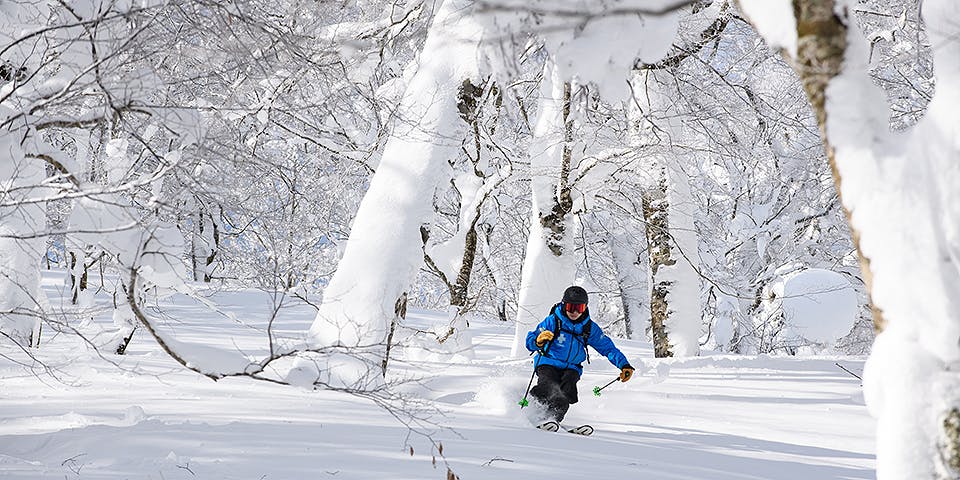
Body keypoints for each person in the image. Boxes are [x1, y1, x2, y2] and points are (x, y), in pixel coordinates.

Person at [525, 286, 634, 424]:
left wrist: (624, 365)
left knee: (566, 394)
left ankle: (552, 419)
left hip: (572, 368)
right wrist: (538, 341)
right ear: (564, 305)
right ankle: (530, 410)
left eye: (579, 308)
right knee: (548, 385)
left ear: (585, 308)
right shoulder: (552, 321)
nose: (575, 312)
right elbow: (530, 341)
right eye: (571, 307)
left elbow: (607, 348)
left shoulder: (588, 328)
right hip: (548, 362)